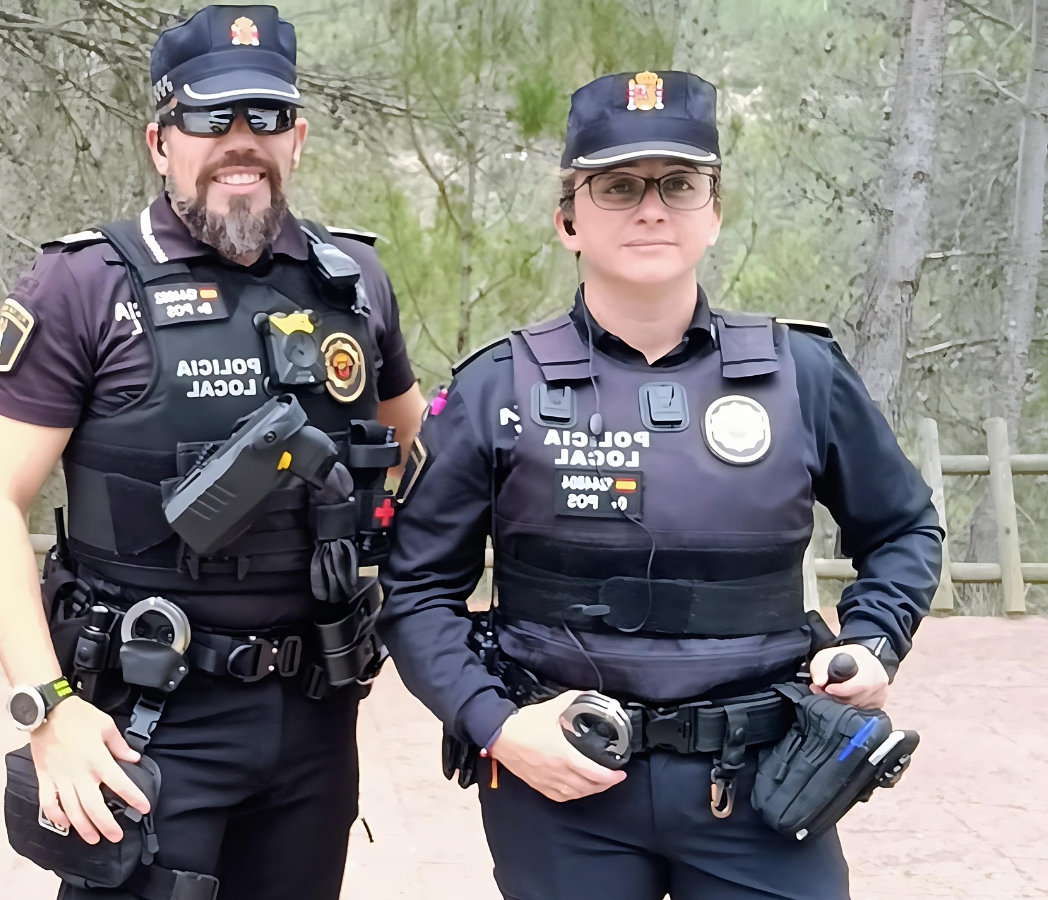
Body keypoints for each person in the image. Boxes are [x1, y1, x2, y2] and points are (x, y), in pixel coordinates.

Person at [378, 70, 942, 900]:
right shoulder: (496, 389)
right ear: (568, 218)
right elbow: (416, 587)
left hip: (763, 789)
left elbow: (903, 530)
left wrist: (873, 641)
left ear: (714, 210)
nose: (652, 208)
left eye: (679, 184)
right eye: (618, 186)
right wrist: (496, 726)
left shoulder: (803, 375)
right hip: (562, 786)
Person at [0, 6, 424, 899]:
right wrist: (45, 709)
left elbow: (410, 458)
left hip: (315, 721)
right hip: (143, 718)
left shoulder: (354, 285)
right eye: (210, 120)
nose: (240, 144)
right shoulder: (84, 286)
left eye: (266, 119)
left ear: (299, 138)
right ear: (161, 139)